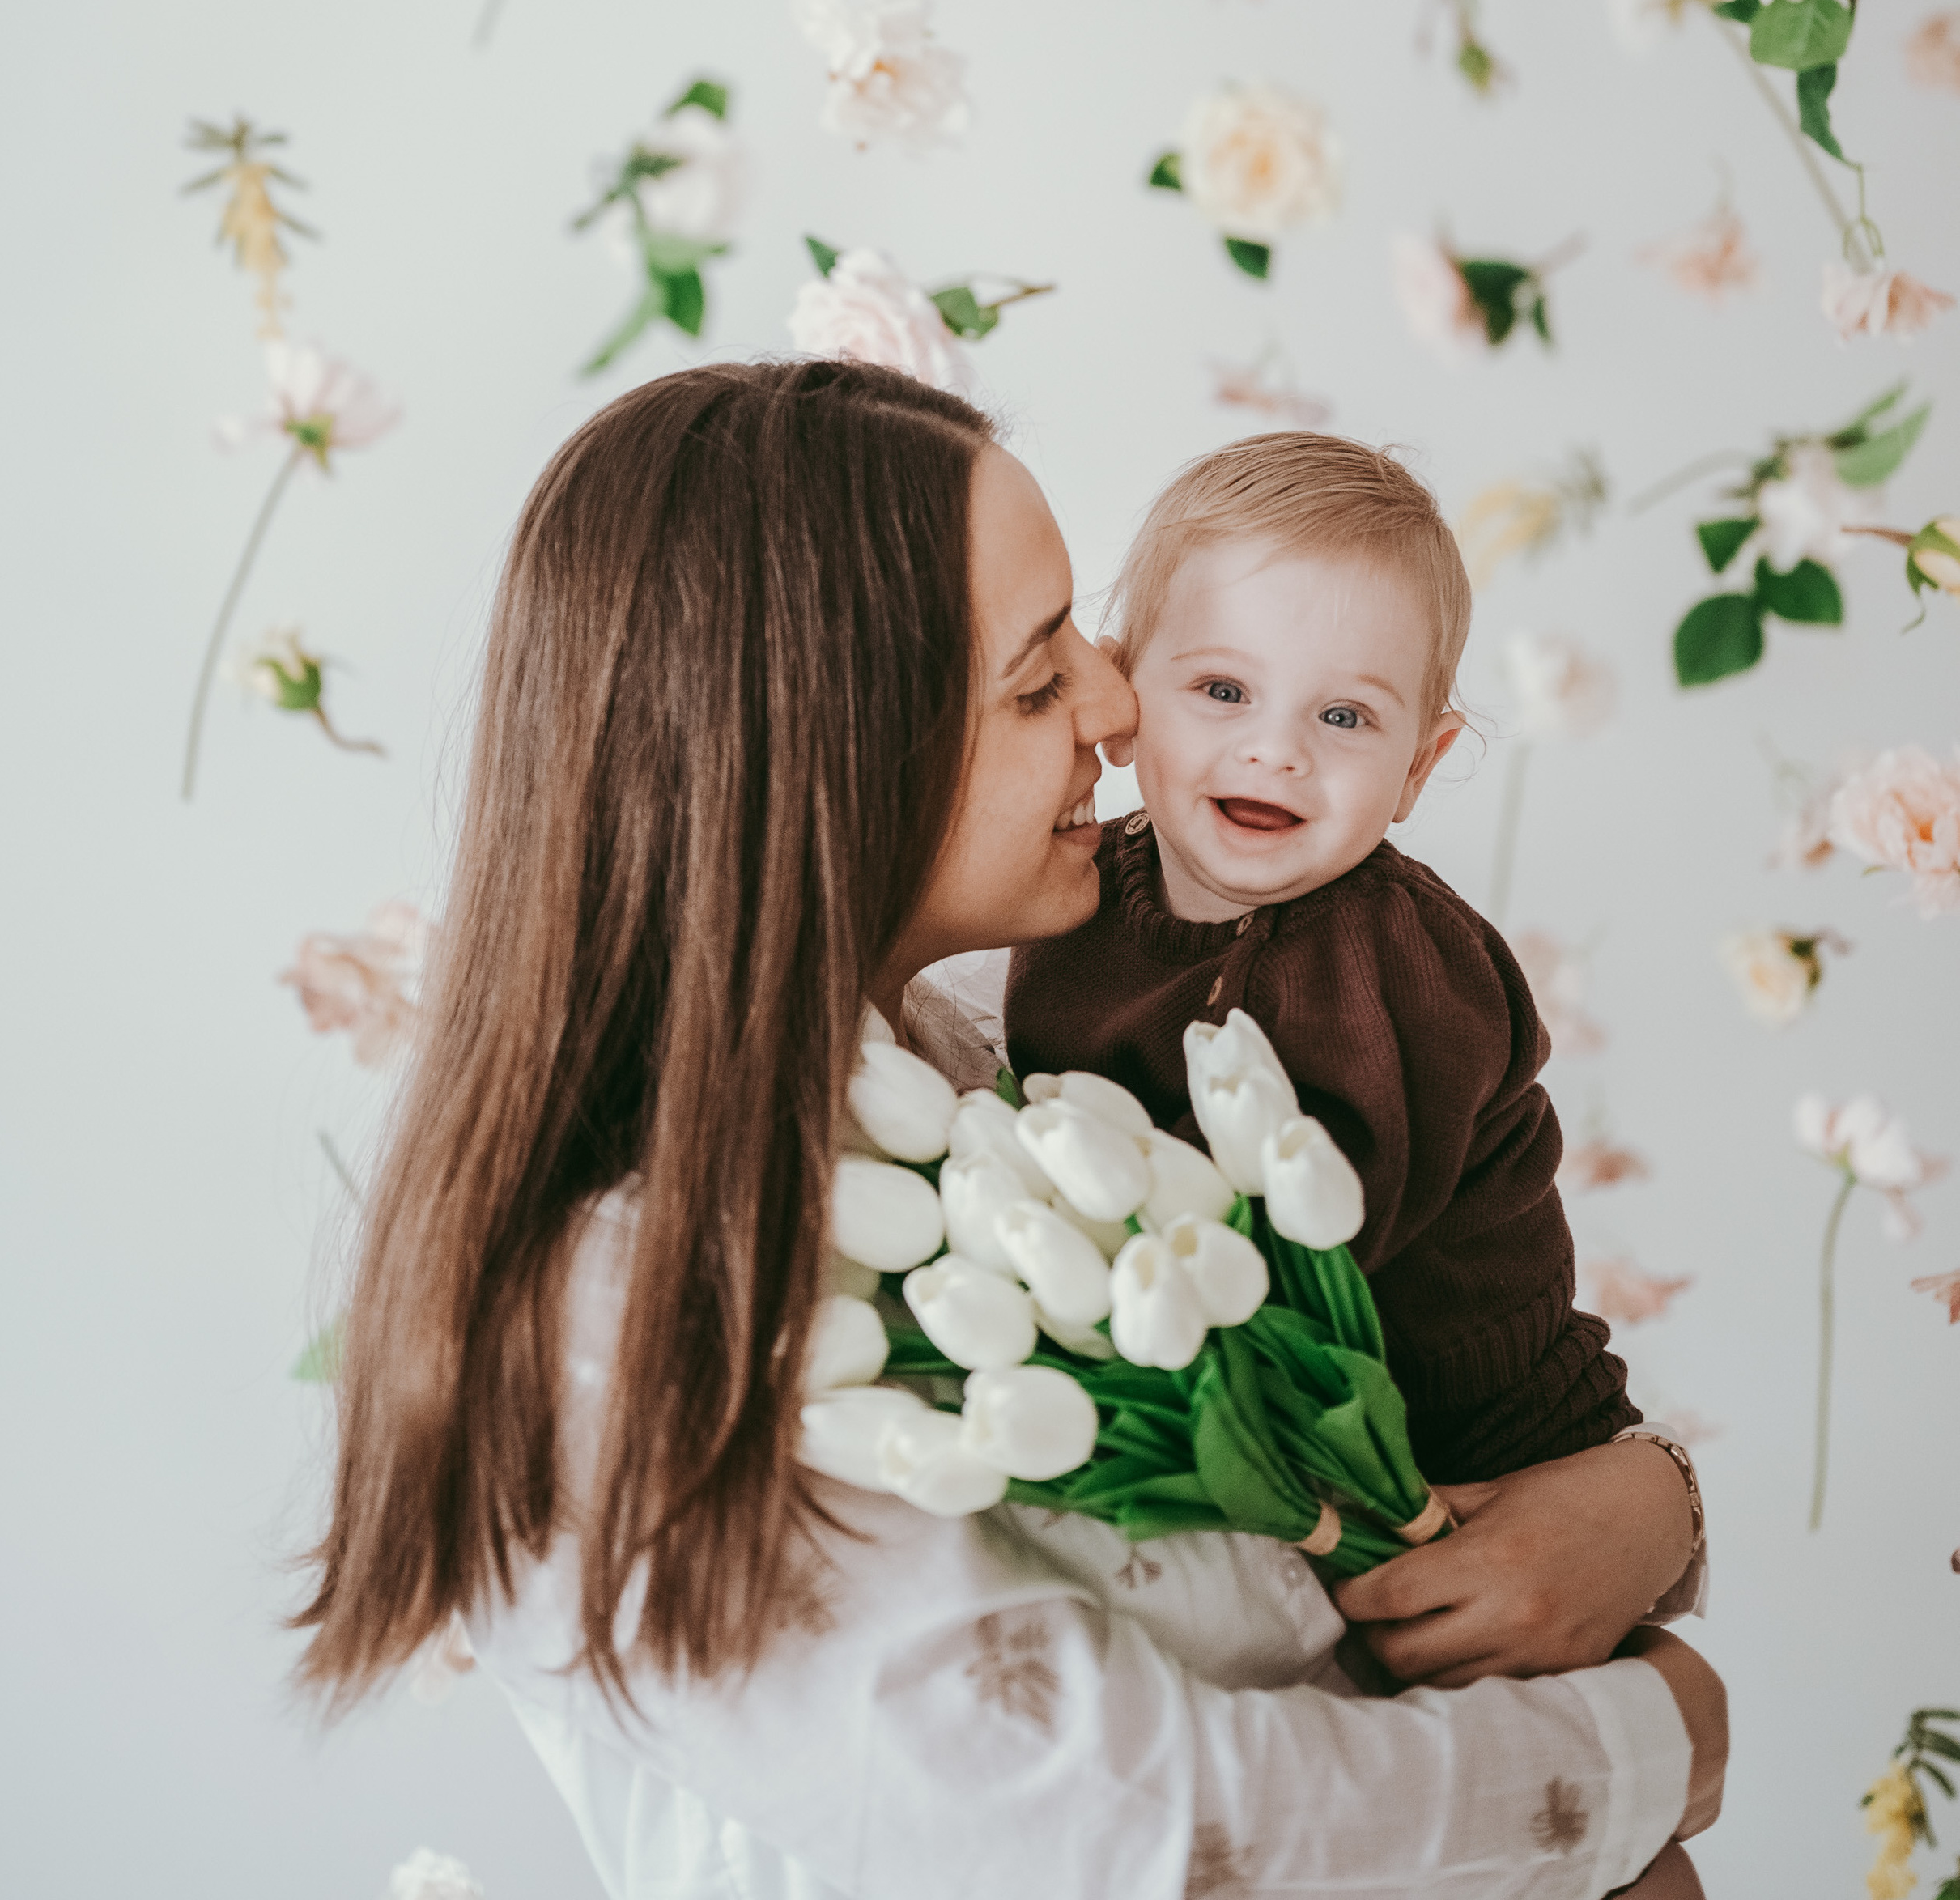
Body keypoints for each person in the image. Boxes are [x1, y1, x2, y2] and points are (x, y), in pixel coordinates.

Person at [295, 362, 1725, 1898]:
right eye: (1043, 680)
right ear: (831, 759)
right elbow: (1130, 1827)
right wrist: (1656, 1738)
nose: (1123, 711)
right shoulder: (617, 1308)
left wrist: (1644, 1501)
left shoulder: (990, 1072)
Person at [1005, 433, 1655, 1484]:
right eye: (1223, 690)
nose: (1277, 749)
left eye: (1344, 716)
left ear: (1415, 769)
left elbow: (1291, 1262)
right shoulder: (1078, 892)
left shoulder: (1398, 962)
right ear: (1126, 696)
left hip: (1481, 1443)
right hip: (1262, 1426)